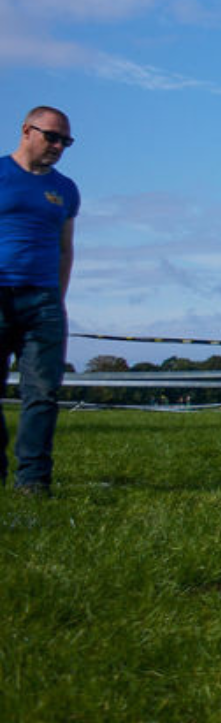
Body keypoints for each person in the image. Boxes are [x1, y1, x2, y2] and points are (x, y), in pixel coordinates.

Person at [1, 106, 80, 496]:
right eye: (51, 136)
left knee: (43, 393)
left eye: (65, 141)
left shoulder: (65, 189)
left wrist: (57, 298)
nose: (58, 146)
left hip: (44, 302)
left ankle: (32, 481)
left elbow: (66, 250)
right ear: (26, 131)